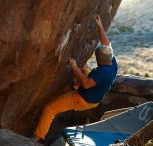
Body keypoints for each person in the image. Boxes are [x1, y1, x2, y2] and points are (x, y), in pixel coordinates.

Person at [33, 14, 118, 142]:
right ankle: (76, 82)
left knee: (49, 109)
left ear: (100, 60)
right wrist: (99, 25)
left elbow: (86, 84)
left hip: (84, 99)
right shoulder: (112, 62)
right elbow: (106, 43)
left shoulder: (103, 72)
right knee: (85, 68)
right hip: (95, 93)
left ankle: (37, 138)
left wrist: (74, 66)